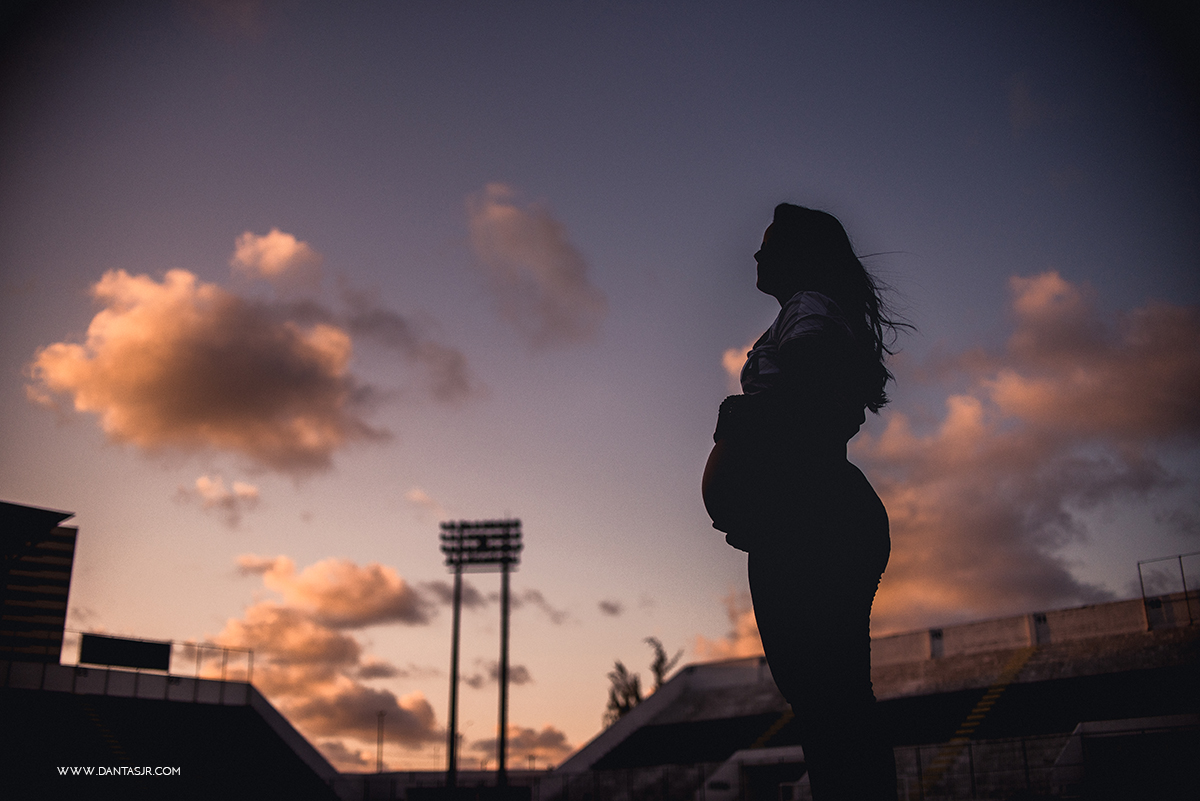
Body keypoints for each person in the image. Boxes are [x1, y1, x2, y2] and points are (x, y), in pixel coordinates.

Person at [702, 203, 905, 800]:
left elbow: (816, 395)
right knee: (828, 699)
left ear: (801, 255)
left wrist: (738, 420)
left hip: (810, 522)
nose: (757, 254)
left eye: (769, 244)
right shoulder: (809, 311)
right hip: (805, 519)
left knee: (830, 701)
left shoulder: (809, 307)